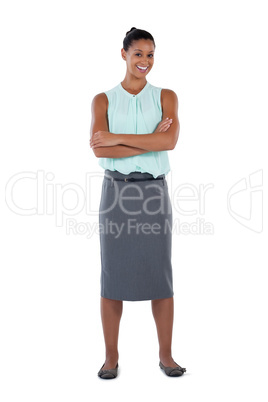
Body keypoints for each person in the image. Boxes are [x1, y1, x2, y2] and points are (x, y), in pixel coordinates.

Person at [90, 27, 186, 379]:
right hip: (116, 193)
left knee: (160, 274)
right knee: (112, 276)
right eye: (138, 54)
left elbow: (170, 141)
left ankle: (167, 356)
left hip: (153, 194)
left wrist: (117, 137)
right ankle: (111, 357)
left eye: (150, 54)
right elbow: (100, 150)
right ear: (123, 55)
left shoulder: (166, 96)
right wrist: (150, 140)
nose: (145, 61)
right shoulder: (103, 100)